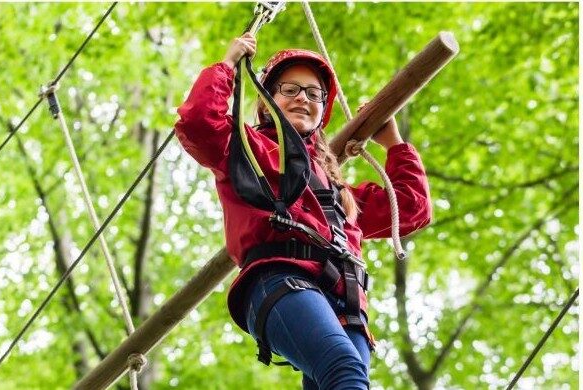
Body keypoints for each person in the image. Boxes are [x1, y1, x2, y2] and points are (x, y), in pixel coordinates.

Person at [174, 32, 432, 389]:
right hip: (280, 281)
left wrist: (394, 144)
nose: (303, 99)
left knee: (346, 376)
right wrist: (228, 64)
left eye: (314, 94)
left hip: (346, 306)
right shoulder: (250, 151)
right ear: (267, 102)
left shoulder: (337, 191)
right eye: (290, 89)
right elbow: (199, 124)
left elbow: (409, 208)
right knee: (345, 372)